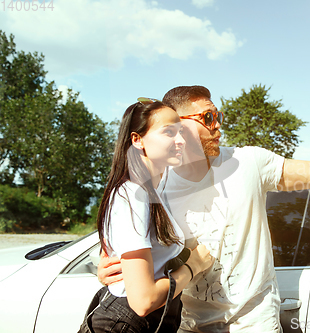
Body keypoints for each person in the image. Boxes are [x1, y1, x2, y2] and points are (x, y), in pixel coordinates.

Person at [98, 86, 310, 332]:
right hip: (187, 325)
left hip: (253, 323)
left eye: (217, 114)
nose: (218, 124)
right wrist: (110, 273)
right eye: (207, 118)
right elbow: (130, 259)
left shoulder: (247, 162)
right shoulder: (155, 186)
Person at [80, 98, 213, 333]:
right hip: (127, 323)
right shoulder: (133, 194)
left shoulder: (152, 191)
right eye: (169, 133)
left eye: (181, 132)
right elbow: (143, 301)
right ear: (137, 140)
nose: (180, 140)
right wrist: (194, 265)